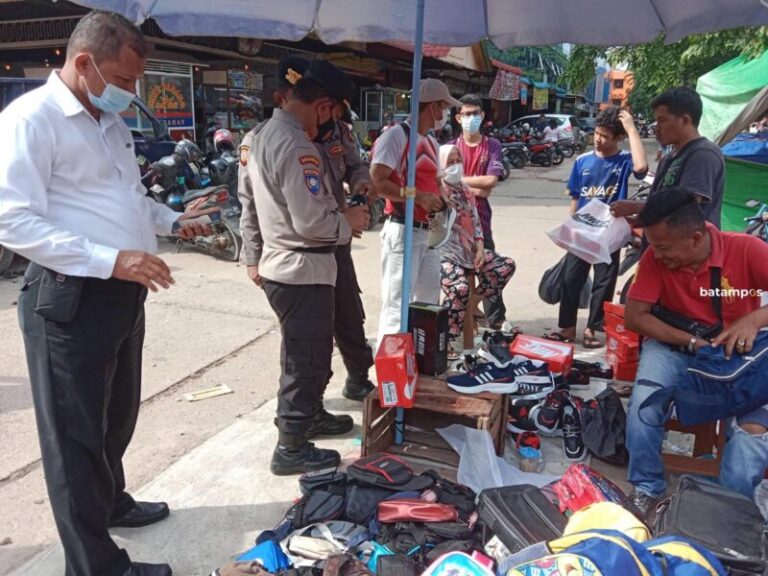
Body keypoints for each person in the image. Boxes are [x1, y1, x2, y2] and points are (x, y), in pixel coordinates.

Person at [0, 11, 213, 576]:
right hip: (68, 298)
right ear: (84, 63)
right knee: (74, 440)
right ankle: (95, 566)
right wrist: (111, 258)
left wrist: (172, 221)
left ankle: (112, 501)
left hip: (121, 294)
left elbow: (126, 200)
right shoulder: (32, 119)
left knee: (115, 418)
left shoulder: (106, 123)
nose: (130, 93)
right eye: (122, 81)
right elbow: (10, 218)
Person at [240, 59, 370, 476]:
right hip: (301, 267)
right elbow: (312, 223)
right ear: (325, 106)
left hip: (295, 267)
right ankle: (291, 447)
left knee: (309, 354)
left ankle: (310, 417)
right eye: (333, 113)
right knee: (305, 362)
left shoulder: (264, 134)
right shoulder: (296, 144)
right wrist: (347, 221)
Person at [624, 188, 768, 517]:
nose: (656, 255)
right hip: (674, 346)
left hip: (734, 355)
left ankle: (729, 511)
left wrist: (754, 319)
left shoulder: (745, 250)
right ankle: (647, 486)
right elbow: (635, 316)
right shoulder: (654, 259)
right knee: (644, 406)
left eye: (662, 247)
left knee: (753, 432)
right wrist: (689, 341)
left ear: (696, 237)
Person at [545, 106, 648, 348]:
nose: (598, 140)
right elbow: (575, 198)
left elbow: (642, 167)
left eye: (605, 136)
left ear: (618, 138)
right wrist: (569, 230)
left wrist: (632, 128)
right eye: (596, 134)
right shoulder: (582, 161)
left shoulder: (623, 161)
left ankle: (592, 329)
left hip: (609, 233)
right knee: (571, 280)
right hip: (582, 230)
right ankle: (567, 328)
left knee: (604, 282)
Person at [370, 78, 460, 345]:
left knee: (426, 304)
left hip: (428, 234)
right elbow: (378, 181)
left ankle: (417, 363)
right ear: (432, 107)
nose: (445, 114)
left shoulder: (431, 142)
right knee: (397, 304)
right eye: (443, 107)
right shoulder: (396, 136)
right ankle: (390, 371)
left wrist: (441, 199)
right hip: (402, 230)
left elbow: (432, 183)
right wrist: (417, 196)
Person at [611, 87, 725, 229]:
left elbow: (687, 203)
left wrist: (635, 206)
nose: (656, 127)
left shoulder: (703, 154)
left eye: (662, 120)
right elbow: (660, 203)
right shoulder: (668, 158)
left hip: (686, 248)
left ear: (685, 120)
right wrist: (636, 221)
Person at [438, 144, 516, 350]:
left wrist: (480, 247)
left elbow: (476, 221)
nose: (455, 166)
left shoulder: (465, 190)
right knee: (460, 289)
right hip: (444, 254)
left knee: (505, 266)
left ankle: (471, 305)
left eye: (458, 161)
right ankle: (449, 339)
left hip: (470, 251)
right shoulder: (436, 190)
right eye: (449, 162)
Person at [452, 93, 508, 329]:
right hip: (455, 223)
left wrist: (460, 182)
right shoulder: (450, 148)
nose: (471, 118)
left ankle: (495, 320)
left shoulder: (492, 146)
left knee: (491, 268)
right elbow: (446, 184)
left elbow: (491, 183)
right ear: (458, 117)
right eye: (467, 114)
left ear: (483, 116)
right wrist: (475, 186)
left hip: (482, 221)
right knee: (457, 275)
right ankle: (459, 320)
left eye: (475, 113)